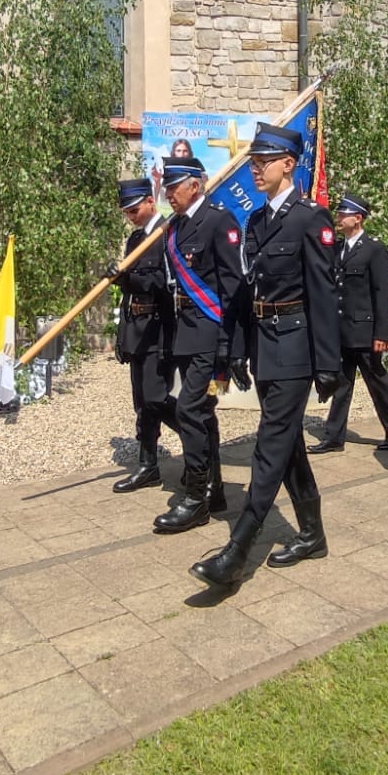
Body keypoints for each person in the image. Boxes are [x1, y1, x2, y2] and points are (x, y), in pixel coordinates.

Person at [190, 123, 340, 587]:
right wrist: (235, 349)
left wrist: (328, 363)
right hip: (264, 346)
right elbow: (244, 293)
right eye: (253, 162)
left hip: (295, 346)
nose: (255, 169)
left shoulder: (310, 219)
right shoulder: (256, 221)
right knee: (288, 444)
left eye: (263, 162)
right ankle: (312, 534)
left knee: (270, 444)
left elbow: (322, 294)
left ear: (288, 164)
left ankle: (238, 550)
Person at [151, 155, 243, 533]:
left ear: (195, 185)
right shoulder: (174, 229)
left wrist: (230, 346)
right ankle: (214, 489)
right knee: (203, 410)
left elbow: (233, 288)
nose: (168, 194)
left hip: (211, 334)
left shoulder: (219, 221)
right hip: (185, 334)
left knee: (189, 409)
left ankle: (195, 499)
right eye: (167, 188)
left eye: (174, 188)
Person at [308, 193, 388, 454]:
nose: (339, 218)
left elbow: (384, 293)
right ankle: (334, 437)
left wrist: (382, 333)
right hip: (341, 331)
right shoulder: (337, 249)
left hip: (365, 331)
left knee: (378, 384)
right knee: (341, 385)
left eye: (344, 214)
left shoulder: (373, 249)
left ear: (358, 218)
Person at [110, 178, 178, 493]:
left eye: (134, 210)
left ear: (150, 201)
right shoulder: (136, 239)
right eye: (126, 212)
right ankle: (148, 465)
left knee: (155, 398)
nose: (131, 217)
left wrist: (126, 279)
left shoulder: (168, 233)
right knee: (142, 402)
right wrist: (123, 334)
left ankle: (199, 442)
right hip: (137, 328)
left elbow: (161, 282)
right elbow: (130, 296)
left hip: (159, 330)